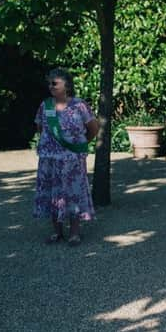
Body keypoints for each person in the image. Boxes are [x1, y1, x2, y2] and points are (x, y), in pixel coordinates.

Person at [34, 68, 99, 247]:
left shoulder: (79, 106)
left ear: (67, 85)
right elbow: (40, 128)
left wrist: (78, 145)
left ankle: (75, 233)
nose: (50, 86)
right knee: (53, 194)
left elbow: (93, 128)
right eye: (49, 83)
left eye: (54, 83)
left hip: (73, 160)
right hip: (50, 160)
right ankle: (57, 232)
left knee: (74, 194)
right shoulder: (45, 105)